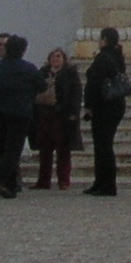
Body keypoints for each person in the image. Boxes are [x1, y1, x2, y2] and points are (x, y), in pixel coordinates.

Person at [0, 34, 44, 199]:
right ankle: (2, 182)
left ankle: (6, 184)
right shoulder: (28, 68)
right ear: (22, 50)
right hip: (20, 113)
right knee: (13, 150)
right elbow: (42, 85)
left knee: (2, 146)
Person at [83, 27, 131, 196]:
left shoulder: (103, 58)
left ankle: (107, 184)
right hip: (115, 105)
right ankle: (101, 182)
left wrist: (89, 106)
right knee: (103, 145)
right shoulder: (117, 56)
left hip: (105, 106)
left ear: (104, 39)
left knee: (103, 146)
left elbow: (95, 84)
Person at [33, 45, 83, 191]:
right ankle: (43, 180)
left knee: (63, 149)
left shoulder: (70, 73)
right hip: (45, 113)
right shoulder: (43, 73)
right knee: (45, 149)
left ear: (64, 59)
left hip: (63, 114)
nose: (55, 59)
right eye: (53, 56)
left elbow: (76, 93)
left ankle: (63, 180)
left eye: (58, 56)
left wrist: (74, 112)